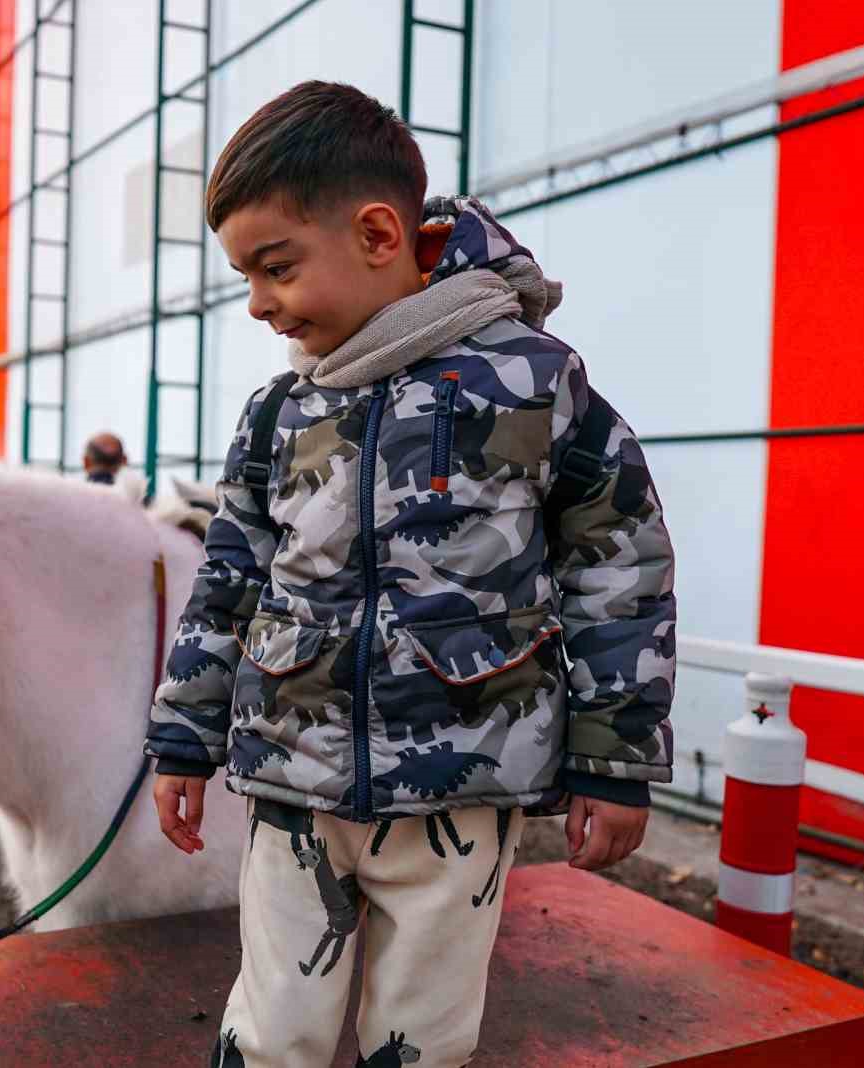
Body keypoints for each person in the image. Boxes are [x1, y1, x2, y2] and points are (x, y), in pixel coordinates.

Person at [144, 81, 677, 1068]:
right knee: (273, 1032)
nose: (258, 304)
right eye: (244, 277)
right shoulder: (278, 415)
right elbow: (228, 579)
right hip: (292, 782)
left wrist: (613, 757)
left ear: (380, 232)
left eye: (276, 268)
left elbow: (620, 568)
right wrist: (182, 738)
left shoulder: (531, 384)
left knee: (422, 1040)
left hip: (458, 788)